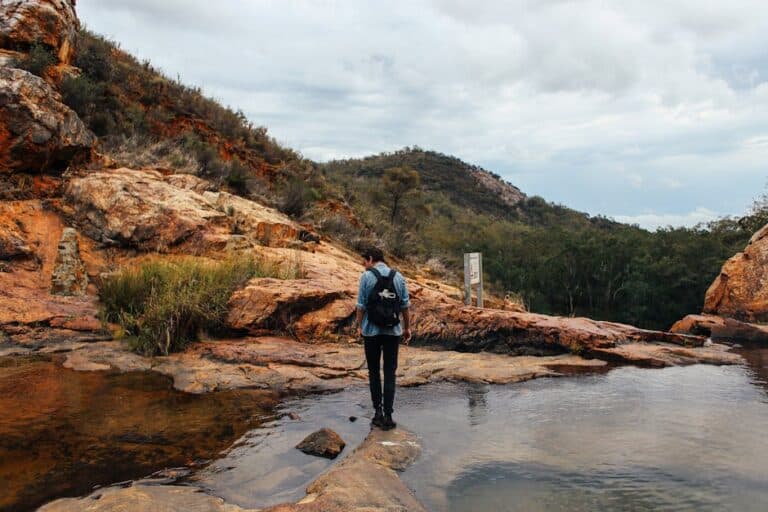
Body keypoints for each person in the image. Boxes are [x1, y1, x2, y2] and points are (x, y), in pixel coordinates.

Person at [355, 246, 411, 430]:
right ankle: (388, 415)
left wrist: (359, 326)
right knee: (389, 373)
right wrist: (407, 328)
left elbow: (361, 305)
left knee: (373, 372)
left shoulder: (366, 276)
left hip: (371, 332)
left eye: (365, 261)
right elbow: (405, 306)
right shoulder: (398, 276)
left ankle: (377, 413)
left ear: (371, 259)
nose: (364, 265)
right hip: (392, 332)